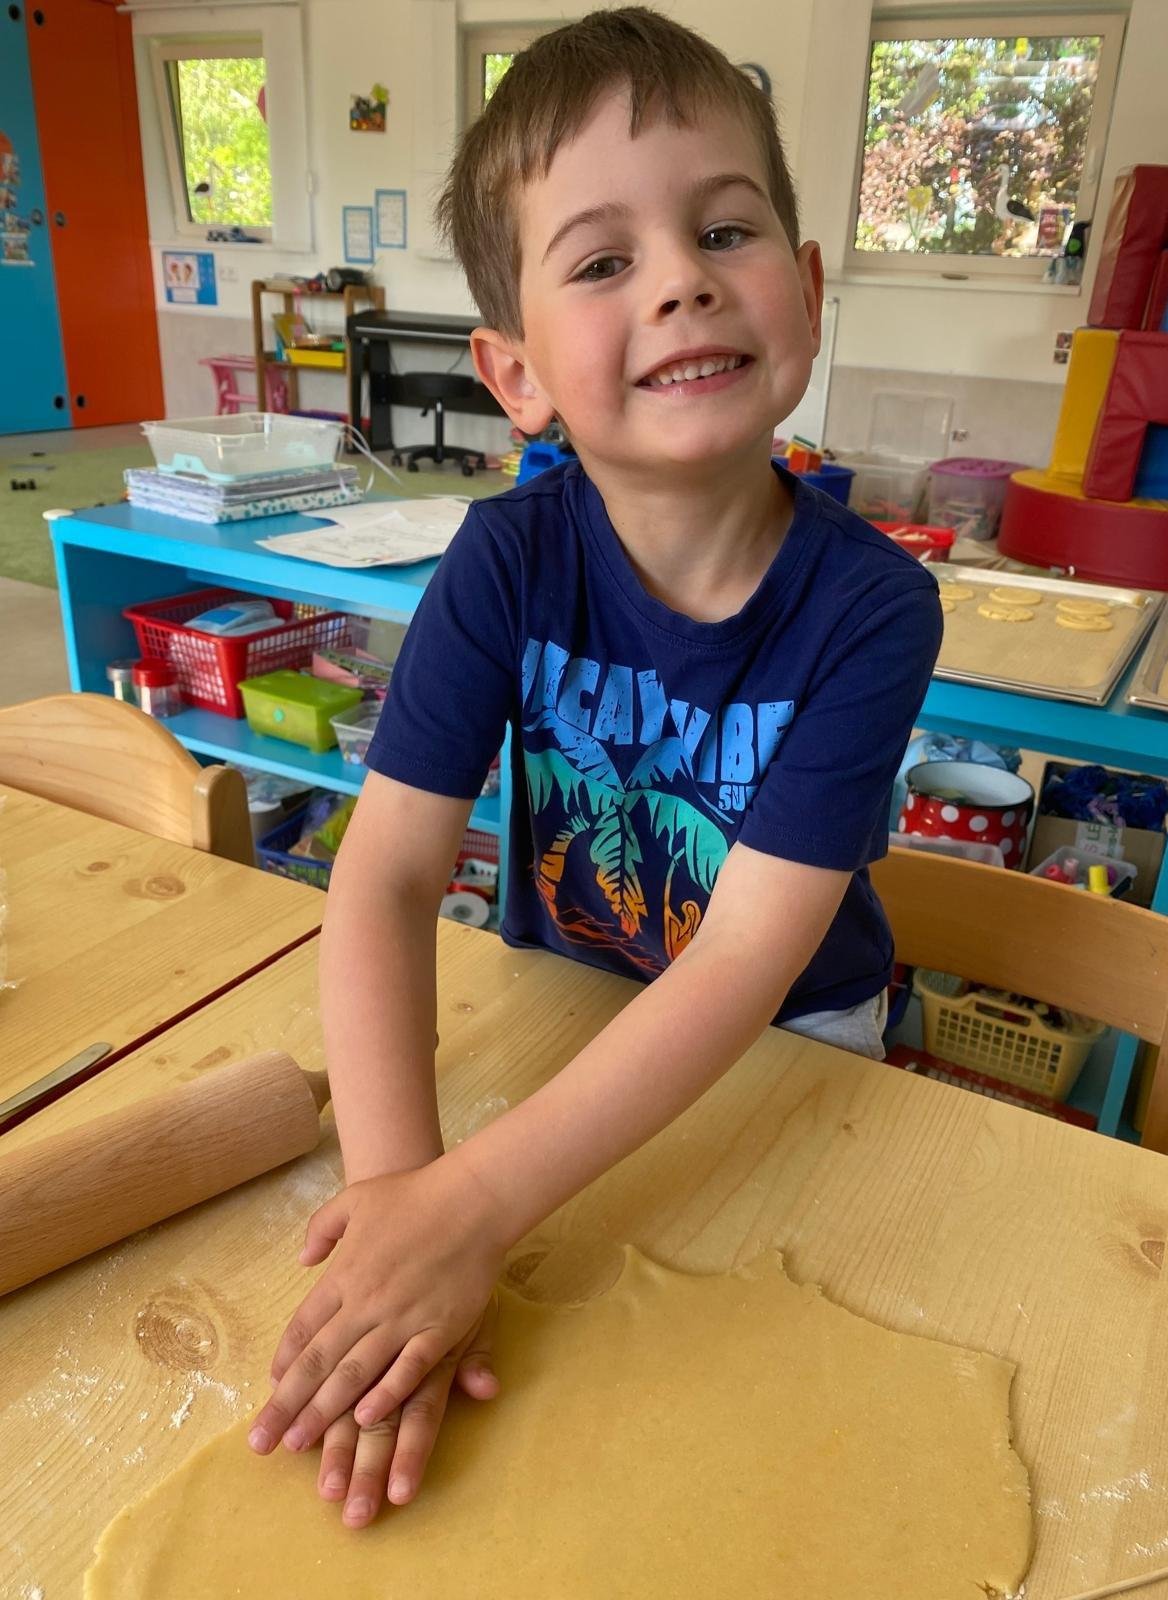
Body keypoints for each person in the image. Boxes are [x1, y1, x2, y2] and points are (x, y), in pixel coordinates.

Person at [247, 5, 942, 1529]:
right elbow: (386, 876)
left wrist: (470, 1206)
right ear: (516, 374)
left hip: (789, 1045)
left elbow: (747, 963)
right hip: (567, 999)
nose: (682, 277)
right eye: (604, 259)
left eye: (725, 230)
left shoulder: (873, 608)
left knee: (736, 1417)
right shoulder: (503, 560)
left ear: (807, 292)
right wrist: (399, 1202)